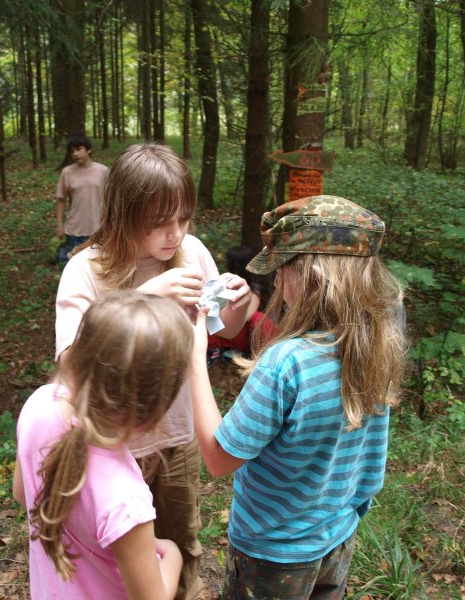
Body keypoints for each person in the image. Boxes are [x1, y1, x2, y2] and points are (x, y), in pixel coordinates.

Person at [55, 142, 252, 599]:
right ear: (124, 213)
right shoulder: (86, 269)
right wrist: (143, 299)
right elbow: (71, 365)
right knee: (117, 560)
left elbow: (221, 329)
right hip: (111, 446)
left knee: (182, 543)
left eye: (184, 218)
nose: (175, 234)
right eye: (160, 222)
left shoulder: (192, 253)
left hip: (178, 435)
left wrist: (239, 305)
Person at [188, 195, 407, 600]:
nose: (275, 282)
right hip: (337, 533)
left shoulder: (286, 364)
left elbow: (218, 459)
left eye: (281, 269)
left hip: (272, 554)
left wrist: (193, 359)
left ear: (312, 276)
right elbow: (371, 457)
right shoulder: (381, 342)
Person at [14, 291, 190, 599]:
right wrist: (173, 555)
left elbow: (22, 493)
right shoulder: (126, 499)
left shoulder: (40, 404)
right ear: (154, 409)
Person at [206, 245, 275, 367]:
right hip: (229, 331)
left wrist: (229, 310)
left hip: (245, 334)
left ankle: (260, 356)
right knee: (208, 319)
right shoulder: (229, 282)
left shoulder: (255, 288)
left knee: (258, 318)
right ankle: (217, 350)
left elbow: (247, 317)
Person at [54, 134, 109, 263]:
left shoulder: (103, 171)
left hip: (99, 228)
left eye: (79, 149)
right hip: (75, 230)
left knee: (98, 265)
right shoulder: (67, 172)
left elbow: (112, 197)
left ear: (88, 150)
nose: (75, 154)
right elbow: (61, 199)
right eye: (72, 151)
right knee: (75, 265)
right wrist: (59, 224)